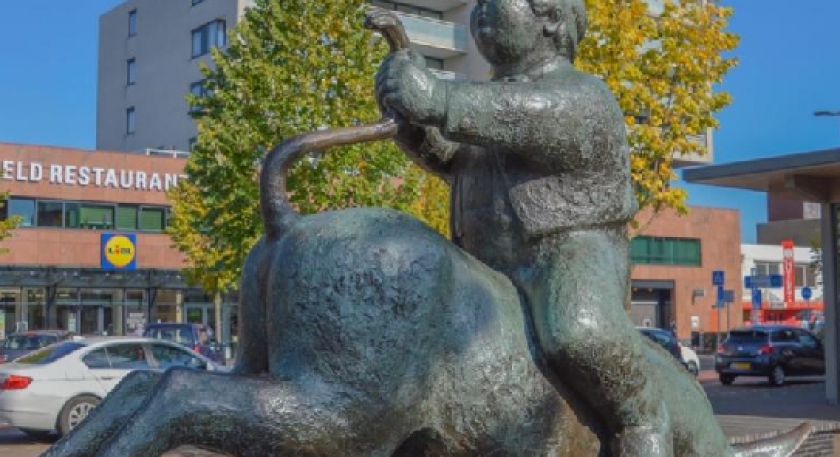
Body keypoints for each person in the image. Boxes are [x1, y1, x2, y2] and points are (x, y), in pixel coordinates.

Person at [375, 0, 675, 453]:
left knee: (580, 332)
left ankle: (643, 422)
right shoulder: (489, 104)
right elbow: (452, 158)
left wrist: (436, 98)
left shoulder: (581, 96)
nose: (481, 11)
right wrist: (410, 121)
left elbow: (527, 113)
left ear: (550, 18)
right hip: (486, 263)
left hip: (569, 252)